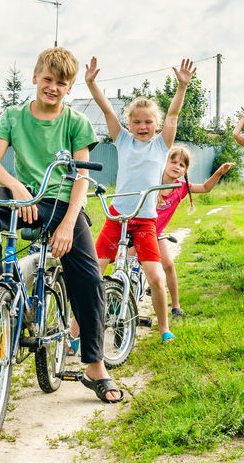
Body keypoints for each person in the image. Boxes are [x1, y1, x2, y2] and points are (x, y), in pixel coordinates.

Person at [0, 47, 123, 403]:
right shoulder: (13, 116)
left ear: (69, 87)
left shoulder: (76, 122)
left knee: (89, 279)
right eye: (47, 79)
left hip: (63, 205)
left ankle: (95, 366)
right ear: (35, 78)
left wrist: (68, 225)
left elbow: (81, 177)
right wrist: (16, 187)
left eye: (61, 83)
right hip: (25, 199)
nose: (53, 87)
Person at [70, 56, 195, 346]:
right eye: (136, 122)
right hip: (117, 217)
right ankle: (74, 333)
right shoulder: (123, 140)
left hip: (145, 221)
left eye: (148, 122)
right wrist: (92, 83)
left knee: (156, 277)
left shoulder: (161, 144)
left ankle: (164, 328)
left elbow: (174, 115)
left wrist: (182, 87)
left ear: (157, 124)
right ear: (129, 123)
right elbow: (106, 109)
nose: (142, 126)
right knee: (93, 275)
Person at [155, 146, 235, 317]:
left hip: (158, 233)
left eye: (182, 165)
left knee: (168, 265)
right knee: (130, 262)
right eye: (173, 162)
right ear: (165, 162)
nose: (176, 166)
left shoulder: (181, 187)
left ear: (185, 170)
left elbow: (205, 188)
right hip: (140, 229)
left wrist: (219, 173)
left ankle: (176, 307)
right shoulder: (152, 181)